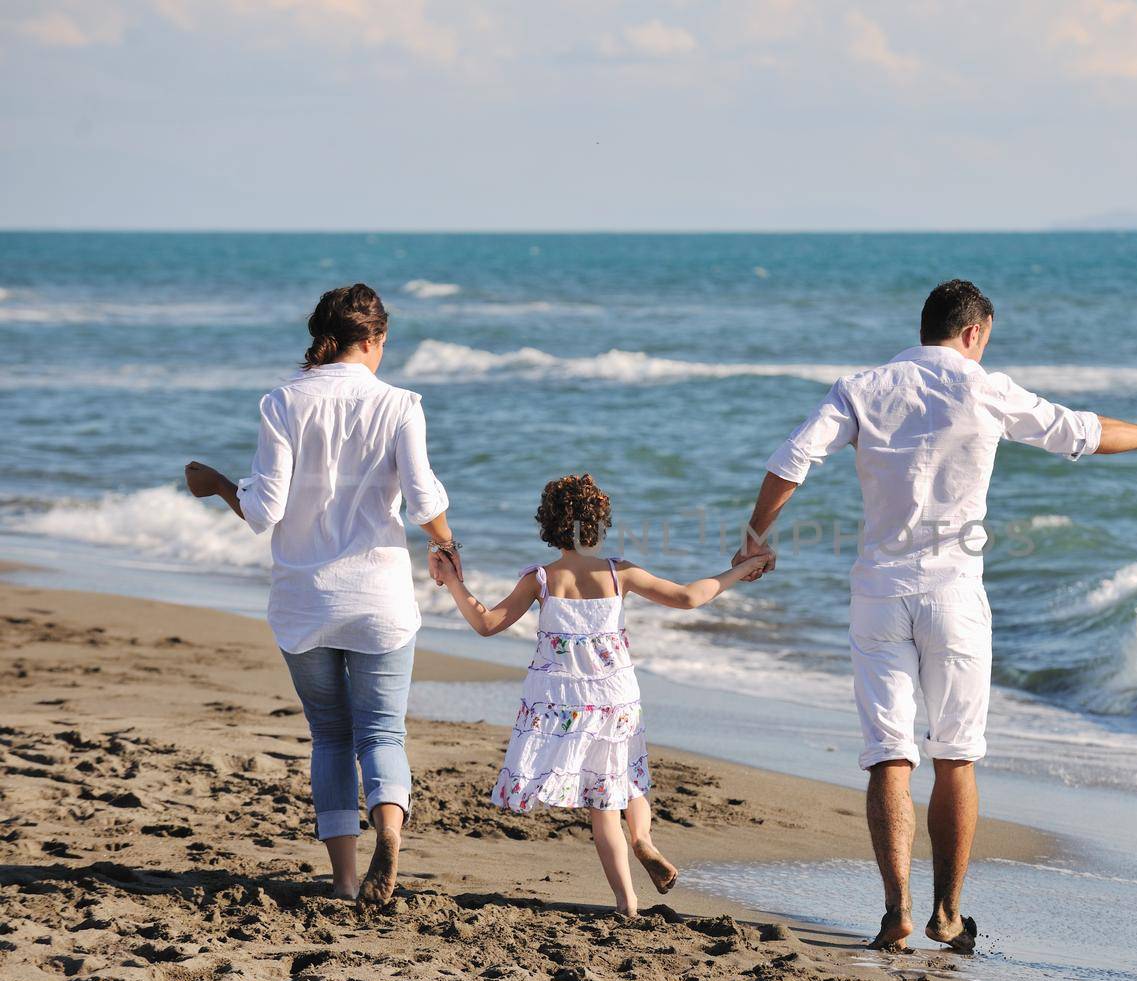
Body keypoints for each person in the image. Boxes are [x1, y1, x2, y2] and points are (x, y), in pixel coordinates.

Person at [734, 279, 1137, 952]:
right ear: (975, 332)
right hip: (955, 595)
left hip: (879, 592)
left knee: (888, 758)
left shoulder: (862, 386)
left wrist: (756, 536)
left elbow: (793, 460)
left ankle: (896, 913)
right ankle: (947, 916)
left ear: (928, 326)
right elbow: (1083, 433)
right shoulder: (986, 388)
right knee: (955, 756)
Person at [184, 283, 456, 907]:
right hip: (380, 596)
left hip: (304, 600)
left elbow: (263, 510)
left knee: (331, 736)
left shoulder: (282, 402)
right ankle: (391, 832)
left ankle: (343, 879)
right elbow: (424, 503)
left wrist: (217, 483)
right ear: (373, 340)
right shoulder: (401, 405)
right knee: (382, 734)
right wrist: (449, 543)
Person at [430, 473, 765, 917]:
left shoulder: (542, 579)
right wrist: (742, 569)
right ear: (598, 523)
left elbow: (488, 623)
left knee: (601, 803)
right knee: (629, 777)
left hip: (561, 700)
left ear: (548, 525)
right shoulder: (618, 572)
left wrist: (455, 582)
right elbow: (687, 597)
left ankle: (627, 902)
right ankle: (643, 840)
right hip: (615, 695)